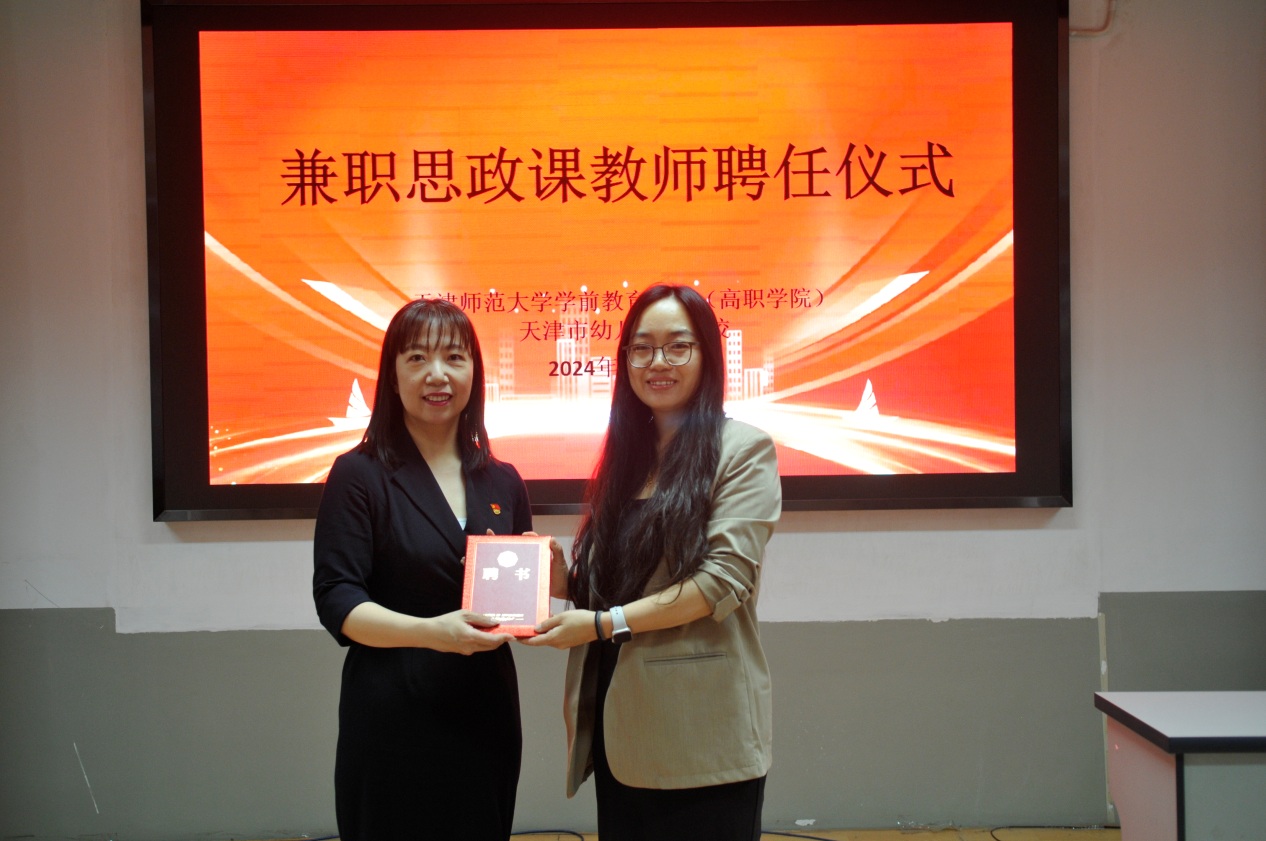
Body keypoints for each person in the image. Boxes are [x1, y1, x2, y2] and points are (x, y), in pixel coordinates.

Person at [524, 284, 782, 841]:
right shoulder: (627, 458)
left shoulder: (743, 449)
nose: (657, 362)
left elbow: (720, 582)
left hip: (700, 729)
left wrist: (602, 624)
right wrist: (566, 581)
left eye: (677, 346)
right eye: (641, 348)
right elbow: (626, 583)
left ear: (707, 355)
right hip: (622, 724)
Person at [312, 298, 531, 841]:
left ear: (475, 372)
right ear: (392, 375)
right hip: (392, 713)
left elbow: (517, 594)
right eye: (417, 358)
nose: (438, 375)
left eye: (454, 357)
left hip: (485, 712)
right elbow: (338, 600)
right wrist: (433, 634)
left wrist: (543, 579)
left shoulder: (502, 479)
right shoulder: (358, 475)